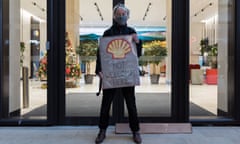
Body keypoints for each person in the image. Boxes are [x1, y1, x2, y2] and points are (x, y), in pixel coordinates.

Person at [95, 3, 142, 144]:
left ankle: (136, 131)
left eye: (123, 14)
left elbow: (137, 55)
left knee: (131, 104)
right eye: (119, 14)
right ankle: (102, 131)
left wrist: (137, 42)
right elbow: (101, 53)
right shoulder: (107, 33)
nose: (121, 16)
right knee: (106, 104)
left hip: (127, 73)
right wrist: (99, 70)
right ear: (114, 16)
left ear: (127, 15)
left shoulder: (132, 32)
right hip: (111, 75)